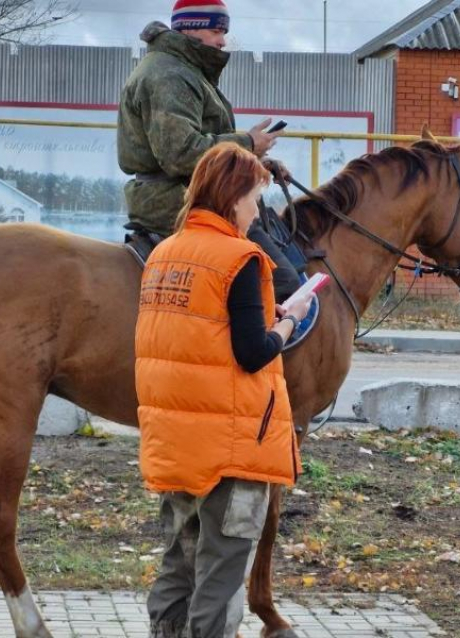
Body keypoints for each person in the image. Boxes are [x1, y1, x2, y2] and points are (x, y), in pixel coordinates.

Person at [135, 143, 312, 638]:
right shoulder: (241, 258)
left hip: (175, 443)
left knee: (178, 562)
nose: (258, 211)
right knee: (220, 573)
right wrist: (288, 323)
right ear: (234, 196)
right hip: (230, 449)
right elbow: (253, 352)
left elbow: (197, 335)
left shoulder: (164, 255)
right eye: (255, 198)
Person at [117, 0, 300, 300]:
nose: (223, 40)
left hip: (194, 194)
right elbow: (181, 153)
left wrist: (256, 161)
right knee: (282, 282)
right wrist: (249, 144)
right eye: (217, 30)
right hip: (179, 202)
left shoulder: (184, 69)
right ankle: (238, 346)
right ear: (191, 29)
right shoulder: (169, 75)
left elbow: (200, 143)